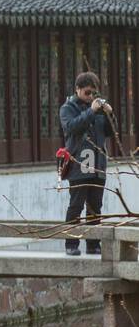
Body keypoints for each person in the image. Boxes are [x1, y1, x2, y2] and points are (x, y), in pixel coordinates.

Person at [59, 71, 114, 255]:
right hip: (78, 164)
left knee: (95, 206)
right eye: (87, 92)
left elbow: (110, 133)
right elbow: (73, 127)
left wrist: (108, 115)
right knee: (76, 205)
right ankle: (71, 244)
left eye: (93, 93)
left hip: (97, 163)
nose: (90, 96)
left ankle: (93, 243)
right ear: (78, 89)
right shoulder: (68, 108)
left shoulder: (97, 108)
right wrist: (91, 110)